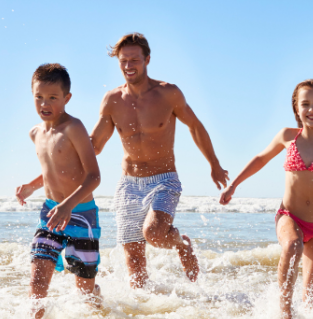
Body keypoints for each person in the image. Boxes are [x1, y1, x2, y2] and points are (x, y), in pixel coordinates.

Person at [220, 79, 313, 319]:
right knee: (292, 245)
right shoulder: (287, 136)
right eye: (305, 103)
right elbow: (261, 158)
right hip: (289, 216)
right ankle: (284, 317)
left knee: (312, 298)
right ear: (297, 107)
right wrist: (234, 185)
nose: (312, 109)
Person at [91, 33, 228, 288]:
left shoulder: (168, 93)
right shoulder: (112, 100)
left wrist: (214, 165)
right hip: (128, 185)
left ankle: (181, 243)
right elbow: (94, 145)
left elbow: (195, 126)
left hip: (164, 180)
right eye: (123, 61)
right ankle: (144, 315)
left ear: (147, 60)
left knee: (153, 234)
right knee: (133, 257)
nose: (128, 66)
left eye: (134, 60)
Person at [15, 64, 103, 319]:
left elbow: (93, 176)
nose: (45, 103)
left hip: (82, 216)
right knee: (38, 279)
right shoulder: (35, 133)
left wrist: (68, 204)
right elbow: (54, 169)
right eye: (39, 97)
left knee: (84, 290)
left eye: (53, 97)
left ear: (67, 98)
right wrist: (32, 186)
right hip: (51, 213)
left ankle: (99, 318)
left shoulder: (74, 128)